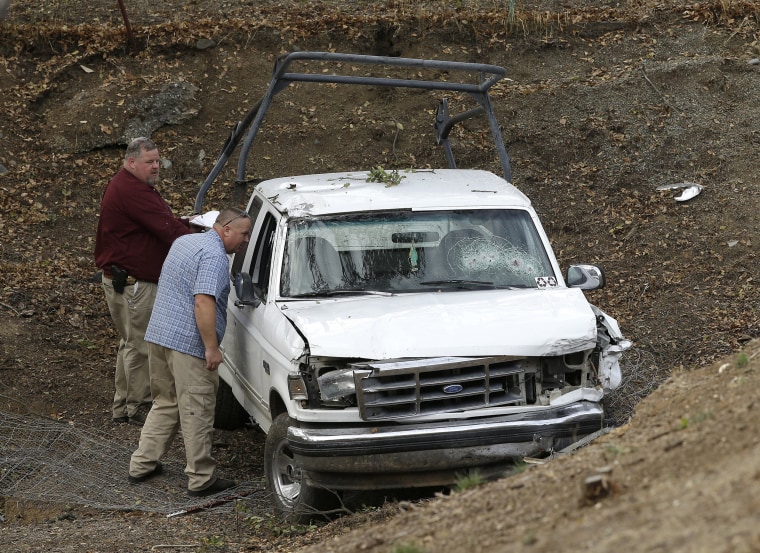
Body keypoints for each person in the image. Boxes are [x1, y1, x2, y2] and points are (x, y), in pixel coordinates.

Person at [128, 208, 252, 497]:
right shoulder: (215, 258)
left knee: (166, 401)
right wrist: (211, 347)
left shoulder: (184, 242)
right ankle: (201, 479)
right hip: (188, 344)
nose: (246, 240)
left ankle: (142, 464)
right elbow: (203, 303)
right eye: (244, 234)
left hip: (159, 335)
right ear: (226, 230)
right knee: (197, 409)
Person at [94, 137, 192, 426]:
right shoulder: (133, 191)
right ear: (131, 162)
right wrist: (203, 235)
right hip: (134, 286)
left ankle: (122, 406)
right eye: (149, 162)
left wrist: (186, 223)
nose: (155, 166)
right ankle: (136, 406)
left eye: (157, 160)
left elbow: (160, 224)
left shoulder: (128, 185)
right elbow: (167, 230)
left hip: (123, 281)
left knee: (130, 343)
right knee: (140, 345)